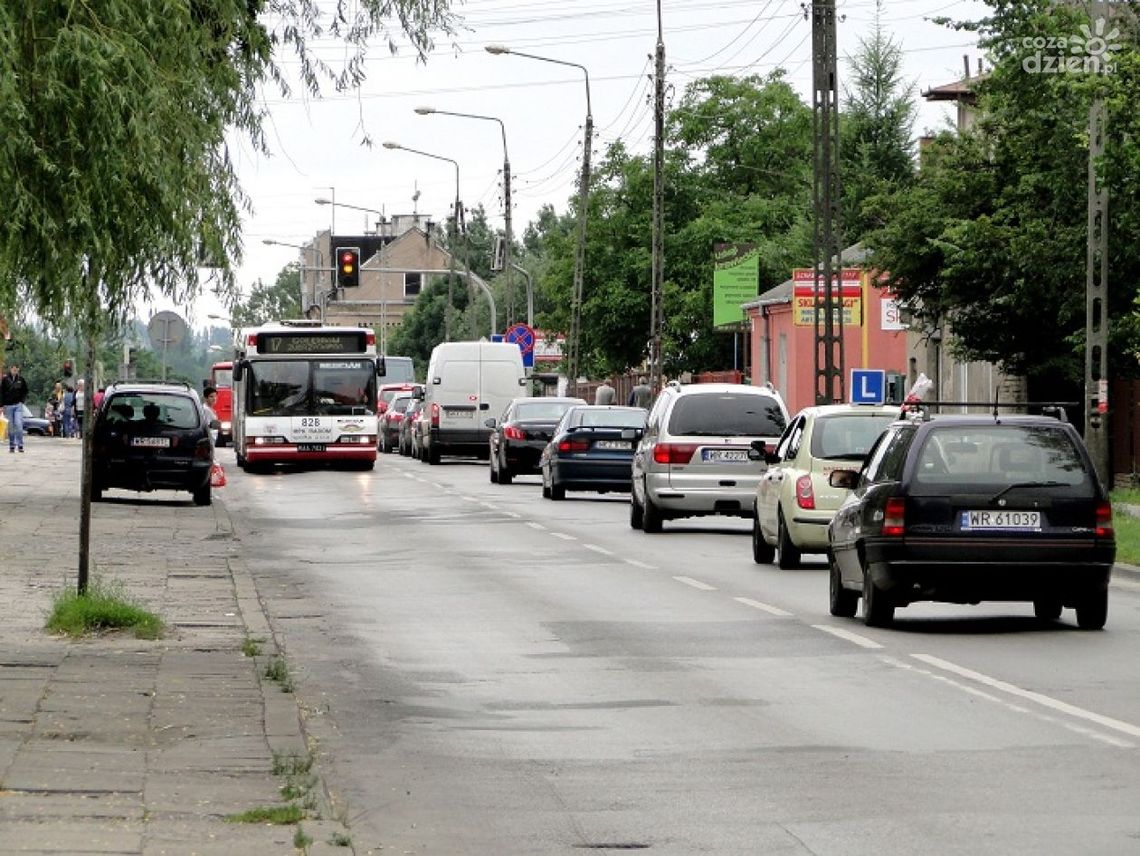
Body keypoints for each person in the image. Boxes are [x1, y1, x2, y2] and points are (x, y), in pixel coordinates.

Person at [1, 362, 30, 452]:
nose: (14, 371)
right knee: (10, 427)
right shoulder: (5, 379)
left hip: (18, 405)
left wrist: (22, 401)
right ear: (10, 369)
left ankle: (20, 445)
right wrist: (1, 405)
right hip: (8, 405)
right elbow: (1, 392)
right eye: (13, 369)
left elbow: (25, 390)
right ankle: (12, 445)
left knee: (18, 424)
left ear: (18, 370)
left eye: (16, 369)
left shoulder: (21, 379)